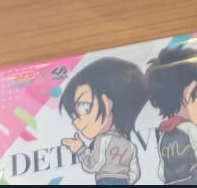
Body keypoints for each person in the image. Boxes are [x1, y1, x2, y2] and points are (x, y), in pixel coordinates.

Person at [146, 46, 197, 185]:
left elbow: (162, 169)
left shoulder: (164, 135)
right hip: (194, 177)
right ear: (189, 91)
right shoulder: (188, 128)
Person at [60, 57, 147, 185]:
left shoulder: (103, 140)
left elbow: (93, 166)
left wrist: (81, 150)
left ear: (107, 104)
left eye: (84, 107)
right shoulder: (130, 145)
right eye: (75, 115)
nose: (75, 122)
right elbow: (135, 173)